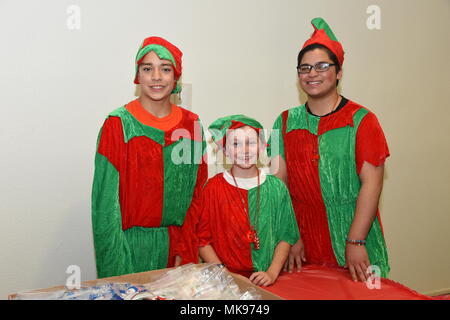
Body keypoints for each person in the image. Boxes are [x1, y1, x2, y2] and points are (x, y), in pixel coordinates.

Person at [269, 18, 390, 282]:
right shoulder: (285, 122)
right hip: (301, 242)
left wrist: (356, 241)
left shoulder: (362, 120)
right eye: (305, 68)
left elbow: (372, 185)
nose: (312, 73)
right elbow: (279, 186)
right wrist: (289, 235)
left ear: (339, 72)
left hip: (354, 236)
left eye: (322, 66)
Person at [91, 36, 207, 278]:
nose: (156, 76)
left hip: (177, 250)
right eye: (147, 68)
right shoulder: (118, 124)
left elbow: (198, 195)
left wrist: (185, 250)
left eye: (165, 69)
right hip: (128, 249)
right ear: (138, 76)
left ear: (175, 76)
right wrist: (117, 270)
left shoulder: (192, 125)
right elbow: (105, 206)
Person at [195, 115, 300, 287]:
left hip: (268, 279)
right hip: (224, 280)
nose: (245, 150)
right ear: (224, 150)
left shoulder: (276, 188)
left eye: (251, 143)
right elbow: (202, 240)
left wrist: (272, 272)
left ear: (262, 146)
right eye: (235, 144)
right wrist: (225, 274)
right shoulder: (213, 188)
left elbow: (285, 235)